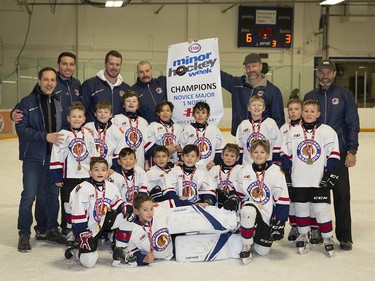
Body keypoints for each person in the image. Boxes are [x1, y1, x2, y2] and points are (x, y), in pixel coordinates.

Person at [304, 59, 360, 251]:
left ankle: (345, 236)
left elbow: (353, 124)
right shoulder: (310, 96)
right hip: (315, 153)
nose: (325, 75)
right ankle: (318, 230)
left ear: (335, 74)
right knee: (318, 194)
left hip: (340, 151)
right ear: (317, 74)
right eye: (322, 72)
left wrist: (352, 151)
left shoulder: (345, 95)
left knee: (342, 194)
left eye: (329, 72)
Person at [15, 67, 66, 252]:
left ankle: (49, 229)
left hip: (53, 158)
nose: (49, 83)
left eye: (53, 80)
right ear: (39, 81)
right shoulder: (27, 102)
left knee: (51, 196)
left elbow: (66, 126)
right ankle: (24, 233)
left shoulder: (59, 102)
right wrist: (45, 136)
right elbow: (21, 129)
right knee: (29, 196)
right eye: (46, 79)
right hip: (33, 158)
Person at [281, 100, 340, 256]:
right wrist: (286, 170)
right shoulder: (293, 131)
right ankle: (303, 234)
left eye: (312, 111)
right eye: (306, 111)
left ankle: (328, 237)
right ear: (302, 113)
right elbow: (285, 153)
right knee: (301, 208)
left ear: (318, 114)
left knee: (321, 209)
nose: (308, 114)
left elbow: (333, 155)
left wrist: (331, 173)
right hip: (299, 179)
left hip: (318, 179)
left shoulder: (326, 131)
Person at [64, 157, 137, 268]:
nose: (100, 172)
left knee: (128, 215)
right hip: (86, 229)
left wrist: (125, 205)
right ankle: (77, 251)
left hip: (102, 222)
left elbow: (117, 202)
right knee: (89, 262)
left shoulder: (110, 187)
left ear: (107, 173)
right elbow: (77, 214)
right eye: (96, 169)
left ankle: (120, 251)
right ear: (90, 172)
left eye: (103, 170)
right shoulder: (82, 188)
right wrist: (81, 233)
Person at [230, 140, 289, 264]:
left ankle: (253, 234)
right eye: (255, 152)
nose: (259, 155)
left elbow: (282, 198)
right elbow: (239, 193)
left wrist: (280, 221)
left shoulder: (276, 172)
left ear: (268, 154)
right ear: (251, 154)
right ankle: (247, 244)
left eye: (262, 152)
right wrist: (233, 198)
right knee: (248, 210)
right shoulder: (245, 170)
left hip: (266, 216)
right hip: (250, 209)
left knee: (262, 251)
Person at [50, 102, 98, 246]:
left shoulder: (88, 135)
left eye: (79, 116)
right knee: (68, 204)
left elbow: (93, 154)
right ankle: (69, 229)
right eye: (73, 116)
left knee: (85, 202)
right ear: (68, 118)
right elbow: (56, 155)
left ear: (84, 119)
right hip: (69, 176)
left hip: (85, 175)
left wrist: (95, 172)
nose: (76, 119)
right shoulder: (63, 135)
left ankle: (84, 228)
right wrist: (57, 176)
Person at [10, 51, 82, 128]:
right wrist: (14, 112)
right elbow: (31, 99)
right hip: (56, 133)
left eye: (71, 64)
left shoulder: (76, 83)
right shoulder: (48, 83)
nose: (68, 68)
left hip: (73, 132)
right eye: (64, 64)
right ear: (58, 65)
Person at [220, 52, 285, 136]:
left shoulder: (272, 90)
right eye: (248, 67)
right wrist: (199, 51)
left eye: (254, 66)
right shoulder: (237, 85)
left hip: (263, 139)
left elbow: (279, 120)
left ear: (260, 66)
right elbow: (219, 76)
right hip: (241, 136)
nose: (251, 70)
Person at [81, 50, 131, 122]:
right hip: (96, 131)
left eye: (117, 65)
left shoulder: (126, 88)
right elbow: (82, 111)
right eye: (111, 64)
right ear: (105, 64)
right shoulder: (90, 84)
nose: (114, 67)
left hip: (118, 131)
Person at [111, 90, 154, 170]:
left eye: (134, 101)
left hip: (139, 161)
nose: (131, 103)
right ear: (124, 105)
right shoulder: (116, 119)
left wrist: (146, 161)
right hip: (122, 162)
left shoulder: (143, 122)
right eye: (128, 101)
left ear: (138, 105)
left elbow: (146, 143)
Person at [280, 98, 303, 241]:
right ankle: (294, 226)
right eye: (290, 109)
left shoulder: (307, 127)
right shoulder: (283, 128)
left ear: (301, 111)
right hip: (289, 170)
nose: (293, 112)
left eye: (296, 109)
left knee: (304, 199)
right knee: (292, 200)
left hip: (304, 170)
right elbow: (280, 149)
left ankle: (313, 227)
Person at [236, 96, 282, 165]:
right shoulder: (243, 124)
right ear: (249, 108)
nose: (256, 107)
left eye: (259, 105)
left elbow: (277, 142)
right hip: (247, 163)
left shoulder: (270, 123)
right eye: (253, 105)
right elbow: (239, 145)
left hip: (266, 163)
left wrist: (274, 161)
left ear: (263, 108)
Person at [181, 102, 226, 171]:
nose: (200, 115)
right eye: (197, 112)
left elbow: (220, 149)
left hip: (209, 169)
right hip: (191, 169)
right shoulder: (187, 129)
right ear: (193, 114)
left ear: (208, 115)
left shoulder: (214, 129)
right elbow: (181, 149)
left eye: (203, 112)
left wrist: (215, 162)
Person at [84, 101, 125, 168]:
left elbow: (118, 153)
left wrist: (114, 169)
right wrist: (87, 135)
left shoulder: (116, 130)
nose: (102, 114)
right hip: (89, 167)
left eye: (106, 112)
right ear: (95, 114)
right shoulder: (88, 127)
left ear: (111, 115)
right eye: (100, 112)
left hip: (108, 168)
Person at [209, 143, 242, 209]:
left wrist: (230, 195)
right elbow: (209, 187)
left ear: (237, 158)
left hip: (233, 206)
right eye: (226, 155)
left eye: (232, 156)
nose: (228, 158)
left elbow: (241, 191)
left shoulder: (240, 170)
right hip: (216, 205)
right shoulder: (214, 169)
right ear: (222, 156)